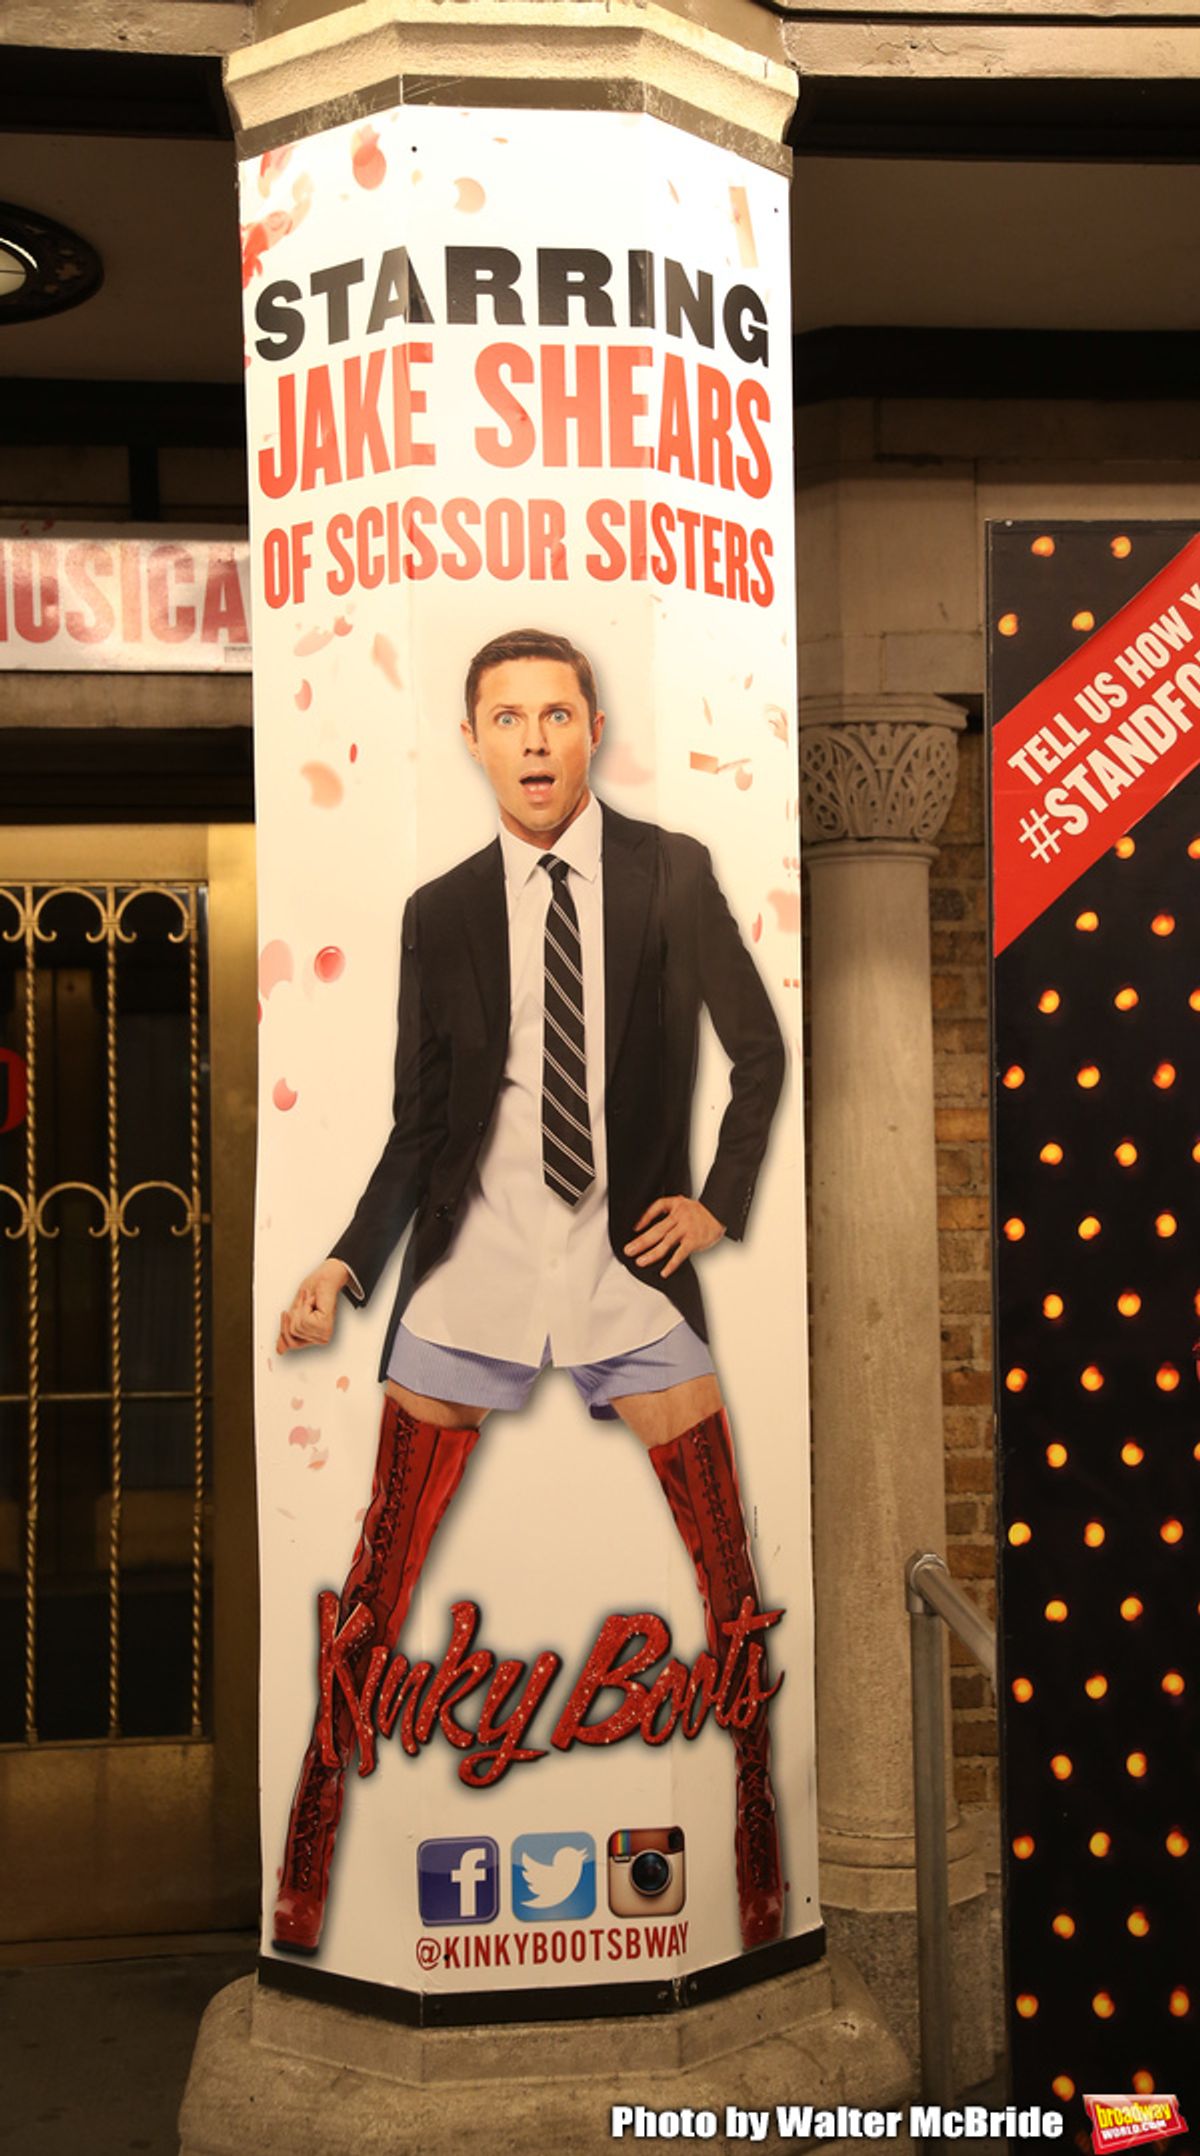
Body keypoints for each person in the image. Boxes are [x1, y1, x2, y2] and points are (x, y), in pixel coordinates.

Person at [273, 627, 788, 1958]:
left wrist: (720, 1204)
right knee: (375, 1596)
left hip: (630, 1276)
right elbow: (415, 1129)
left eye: (558, 713)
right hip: (472, 1276)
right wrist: (346, 1261)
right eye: (509, 718)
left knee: (733, 1593)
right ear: (474, 740)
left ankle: (761, 1865)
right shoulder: (439, 911)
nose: (537, 739)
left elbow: (761, 1049)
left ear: (594, 726)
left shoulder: (669, 872)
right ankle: (305, 1875)